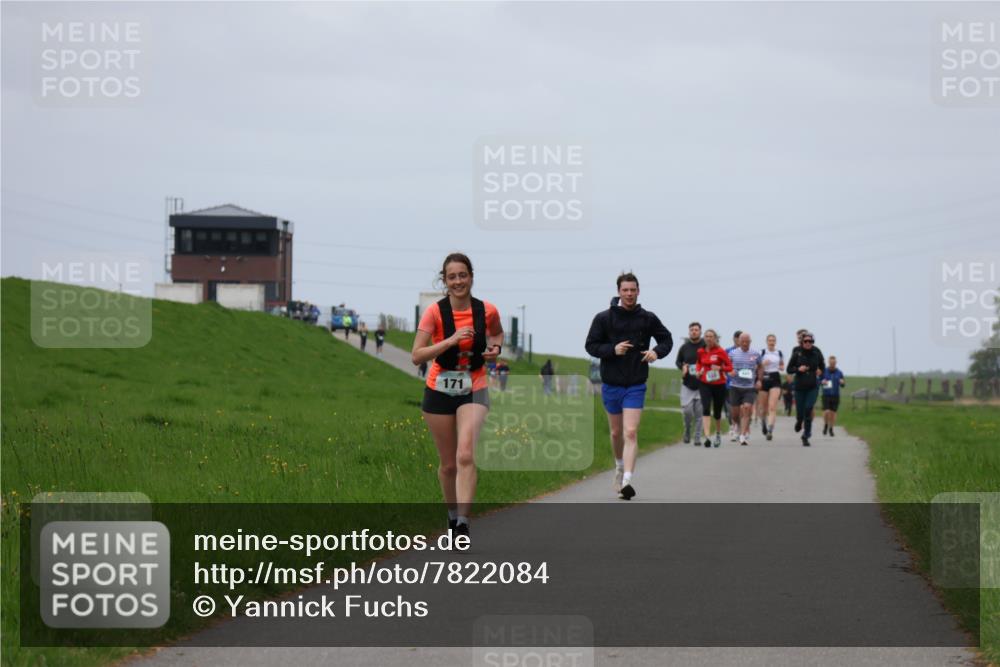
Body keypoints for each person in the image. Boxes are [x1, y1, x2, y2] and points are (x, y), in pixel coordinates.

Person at [411, 253, 503, 542]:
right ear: (445, 280)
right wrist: (449, 341)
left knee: (465, 454)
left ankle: (463, 522)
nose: (458, 281)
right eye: (452, 277)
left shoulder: (487, 310)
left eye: (463, 275)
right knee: (448, 464)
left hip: (475, 384)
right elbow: (417, 355)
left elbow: (497, 334)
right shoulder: (435, 313)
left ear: (471, 277)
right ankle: (452, 516)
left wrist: (495, 350)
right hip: (439, 388)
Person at [585, 272, 673, 500]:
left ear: (638, 291)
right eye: (625, 290)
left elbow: (667, 339)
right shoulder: (604, 318)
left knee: (631, 432)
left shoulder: (647, 318)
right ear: (619, 292)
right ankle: (619, 466)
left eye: (633, 290)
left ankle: (627, 481)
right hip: (611, 383)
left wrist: (656, 352)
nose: (629, 294)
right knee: (616, 433)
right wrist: (612, 349)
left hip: (635, 383)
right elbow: (591, 345)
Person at [786, 332, 825, 446]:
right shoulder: (797, 353)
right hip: (799, 386)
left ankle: (806, 435)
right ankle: (799, 421)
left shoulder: (816, 352)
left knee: (808, 409)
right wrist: (798, 369)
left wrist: (821, 371)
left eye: (810, 341)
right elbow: (789, 369)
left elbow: (822, 366)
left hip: (813, 386)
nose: (808, 343)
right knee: (800, 412)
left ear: (813, 342)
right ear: (802, 342)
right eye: (806, 341)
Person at [695, 329, 732, 448]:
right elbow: (699, 363)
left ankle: (717, 434)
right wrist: (698, 371)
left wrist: (720, 368)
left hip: (719, 384)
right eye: (706, 336)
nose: (708, 338)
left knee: (717, 412)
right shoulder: (700, 351)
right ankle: (707, 437)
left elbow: (730, 367)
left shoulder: (720, 351)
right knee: (706, 408)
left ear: (715, 338)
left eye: (711, 336)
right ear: (704, 338)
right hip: (704, 383)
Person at [727, 332, 763, 446]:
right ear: (739, 341)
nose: (744, 343)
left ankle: (743, 435)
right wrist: (729, 371)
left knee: (747, 408)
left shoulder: (755, 354)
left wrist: (759, 380)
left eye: (747, 341)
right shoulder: (732, 353)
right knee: (735, 414)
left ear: (750, 342)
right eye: (742, 341)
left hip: (749, 387)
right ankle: (737, 426)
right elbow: (726, 365)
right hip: (735, 386)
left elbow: (760, 366)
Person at [675, 321, 705, 445]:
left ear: (700, 332)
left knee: (699, 414)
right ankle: (687, 430)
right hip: (687, 384)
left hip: (702, 384)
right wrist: (682, 367)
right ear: (689, 332)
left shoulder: (705, 346)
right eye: (692, 330)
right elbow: (678, 361)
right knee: (687, 412)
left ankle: (697, 437)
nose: (694, 332)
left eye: (696, 330)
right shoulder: (684, 347)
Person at [758, 334, 784, 441]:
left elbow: (782, 365)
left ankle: (770, 430)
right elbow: (756, 366)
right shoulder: (762, 352)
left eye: (773, 340)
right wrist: (762, 364)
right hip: (764, 377)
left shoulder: (779, 353)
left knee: (772, 406)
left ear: (775, 342)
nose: (771, 342)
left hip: (775, 378)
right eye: (770, 340)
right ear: (766, 341)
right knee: (763, 408)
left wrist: (781, 367)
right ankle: (763, 422)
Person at [821, 356, 846, 436]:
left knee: (833, 413)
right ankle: (825, 424)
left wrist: (842, 382)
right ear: (829, 363)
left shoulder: (839, 372)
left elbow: (843, 384)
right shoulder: (824, 371)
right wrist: (822, 381)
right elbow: (819, 380)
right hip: (826, 394)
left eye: (834, 363)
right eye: (831, 363)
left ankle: (831, 428)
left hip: (835, 395)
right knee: (826, 411)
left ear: (835, 363)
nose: (832, 364)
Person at [725, 330, 742, 441]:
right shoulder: (727, 351)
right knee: (731, 409)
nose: (739, 341)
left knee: (740, 409)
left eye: (740, 338)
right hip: (729, 384)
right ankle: (733, 426)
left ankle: (738, 429)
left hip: (743, 384)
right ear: (734, 339)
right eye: (737, 338)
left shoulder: (747, 352)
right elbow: (722, 364)